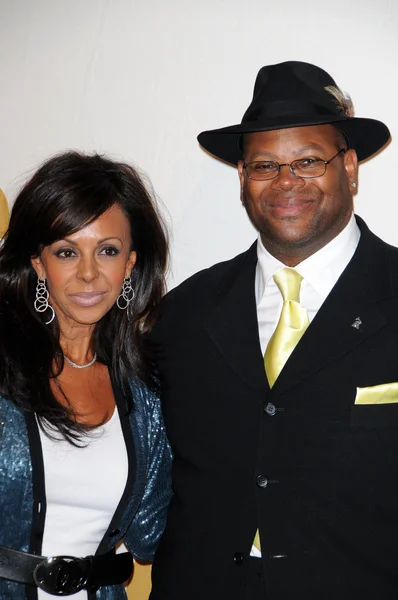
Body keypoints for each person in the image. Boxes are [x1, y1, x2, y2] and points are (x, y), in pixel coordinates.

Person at [149, 61, 396, 600]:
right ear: (242, 179)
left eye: (308, 161)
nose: (286, 183)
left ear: (349, 168)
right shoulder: (183, 314)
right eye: (265, 167)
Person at [0, 151, 172, 600]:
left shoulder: (144, 392)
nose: (90, 273)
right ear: (39, 264)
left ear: (130, 265)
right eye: (67, 252)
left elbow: (152, 534)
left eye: (108, 251)